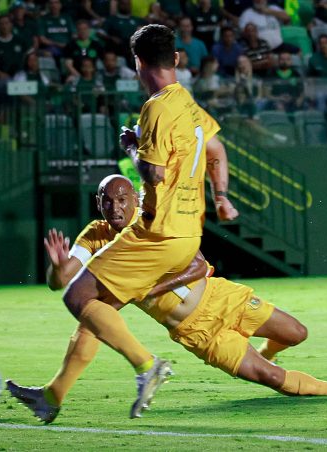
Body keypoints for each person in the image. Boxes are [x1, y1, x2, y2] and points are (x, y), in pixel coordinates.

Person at [7, 175, 327, 423]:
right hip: (197, 332)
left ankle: (260, 351)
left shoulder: (154, 221)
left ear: (135, 199)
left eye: (122, 198)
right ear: (99, 204)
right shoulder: (96, 235)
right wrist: (58, 267)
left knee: (298, 333)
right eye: (107, 202)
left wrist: (150, 287)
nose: (116, 207)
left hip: (222, 297)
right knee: (271, 379)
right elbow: (64, 281)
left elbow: (199, 265)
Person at [60, 24, 239, 419]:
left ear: (137, 63)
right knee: (100, 304)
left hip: (158, 230)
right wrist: (222, 198)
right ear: (175, 58)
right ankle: (53, 394)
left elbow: (153, 174)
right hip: (189, 230)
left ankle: (146, 365)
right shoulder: (187, 102)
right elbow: (216, 149)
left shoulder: (156, 106)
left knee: (77, 296)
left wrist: (130, 145)